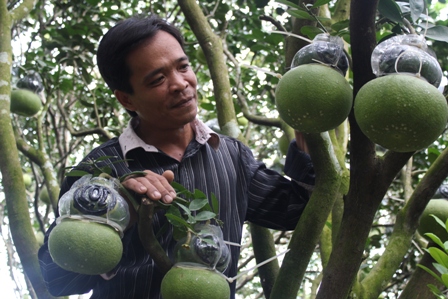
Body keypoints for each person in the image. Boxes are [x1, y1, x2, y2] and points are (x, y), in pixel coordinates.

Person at [38, 14, 315, 299]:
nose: (180, 84)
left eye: (183, 67)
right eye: (158, 79)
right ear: (126, 99)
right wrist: (117, 216)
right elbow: (57, 280)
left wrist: (310, 140)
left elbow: (297, 210)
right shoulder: (101, 171)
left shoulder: (231, 156)